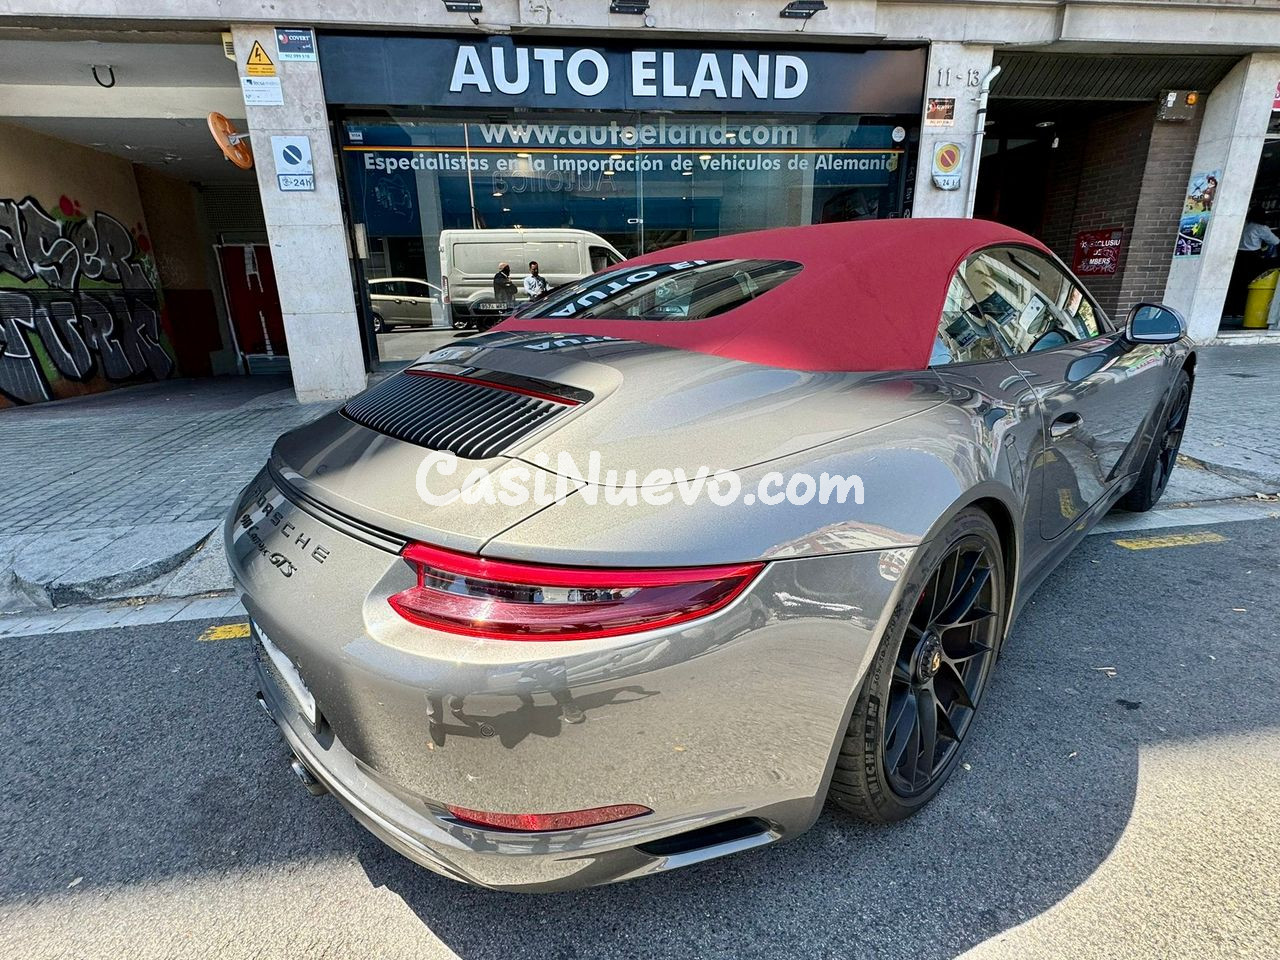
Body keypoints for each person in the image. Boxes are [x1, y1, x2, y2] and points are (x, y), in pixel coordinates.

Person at [1225, 209, 1280, 317]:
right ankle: (1243, 309)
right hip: (1252, 258)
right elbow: (1275, 241)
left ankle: (1231, 309)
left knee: (1236, 283)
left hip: (1239, 256)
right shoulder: (1261, 228)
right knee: (1251, 282)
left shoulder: (1243, 225)